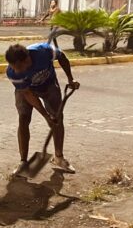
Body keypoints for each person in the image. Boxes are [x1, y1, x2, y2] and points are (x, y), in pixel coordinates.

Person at [5, 42, 80, 178]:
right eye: (13, 67)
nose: (16, 70)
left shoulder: (44, 51)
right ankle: (23, 162)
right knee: (23, 119)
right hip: (27, 90)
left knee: (57, 119)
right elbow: (28, 95)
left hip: (49, 85)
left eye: (19, 67)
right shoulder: (12, 73)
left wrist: (70, 78)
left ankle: (59, 158)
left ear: (27, 59)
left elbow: (62, 57)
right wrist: (46, 116)